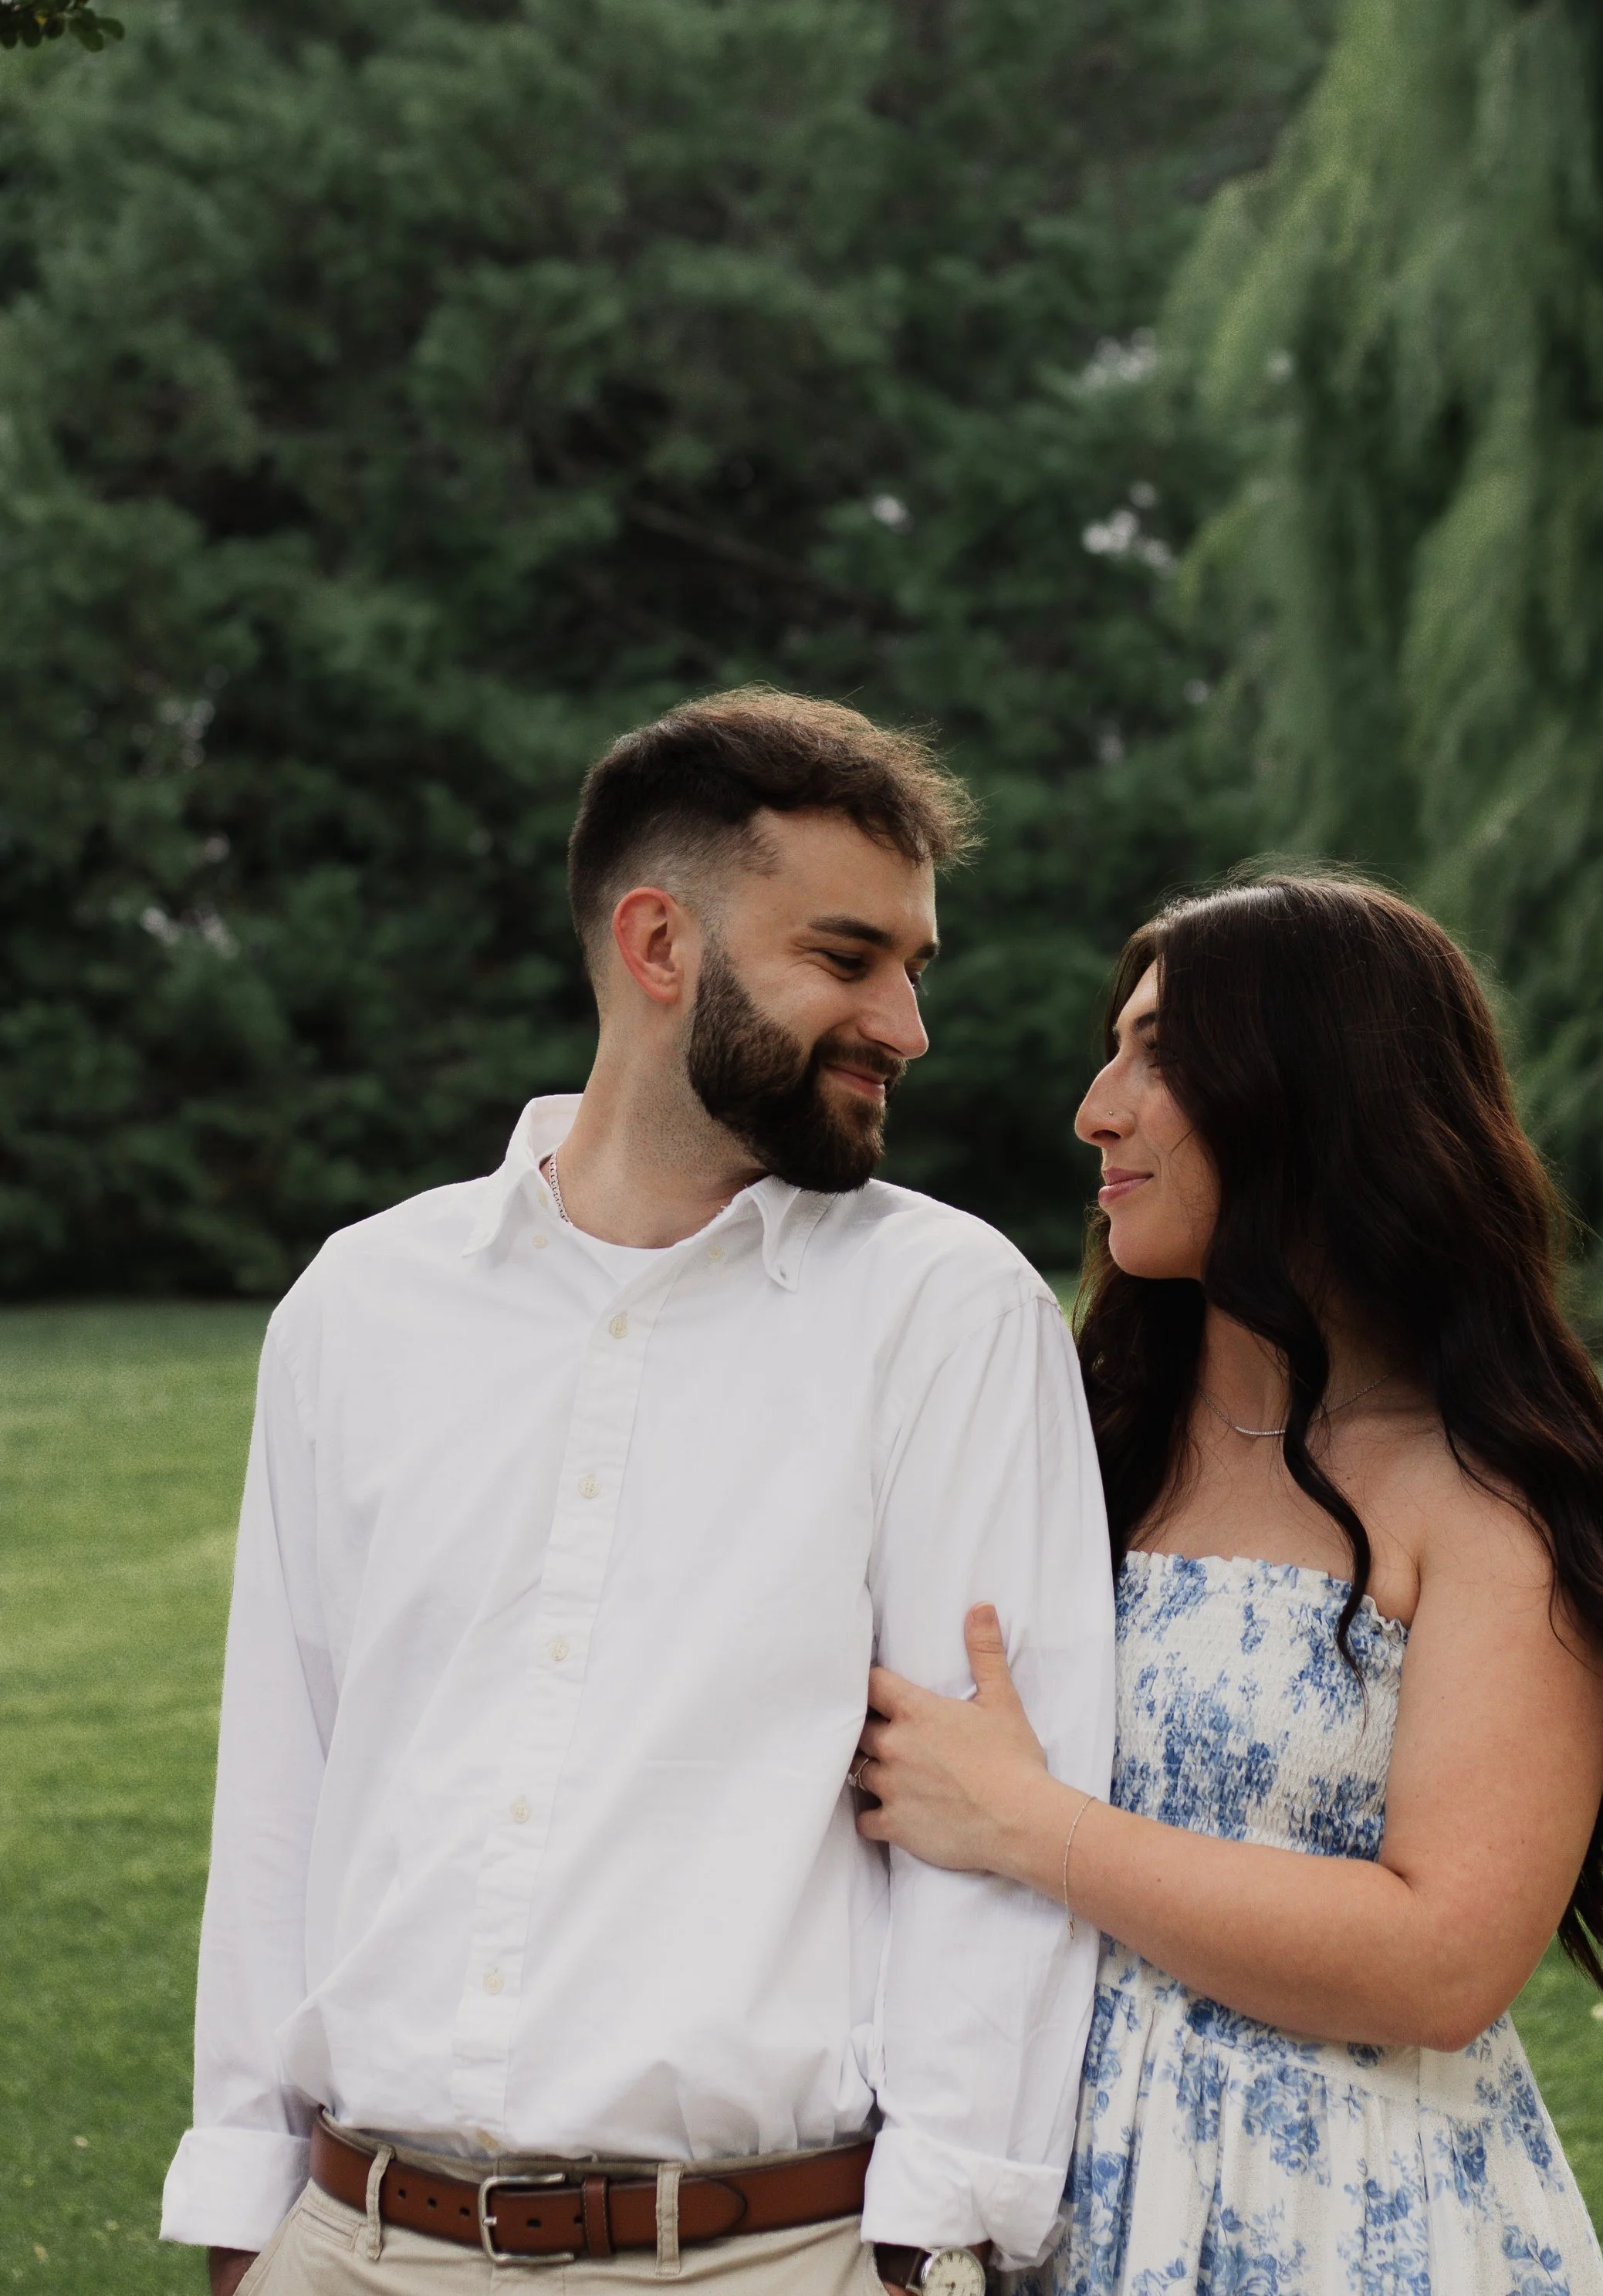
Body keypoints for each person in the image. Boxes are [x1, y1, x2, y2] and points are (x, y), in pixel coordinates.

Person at [160, 688, 1116, 2296]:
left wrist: (929, 2244)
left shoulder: (946, 1311)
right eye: (847, 957)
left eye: (912, 965)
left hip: (770, 2256)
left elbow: (1002, 1832)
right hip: (357, 2243)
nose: (905, 1024)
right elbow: (286, 1782)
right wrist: (253, 2218)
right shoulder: (361, 1303)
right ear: (659, 944)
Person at [849, 873, 1603, 2296]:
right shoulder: (1069, 1447)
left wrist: (1031, 1825)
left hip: (1341, 2213)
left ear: (1319, 1098)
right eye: (1112, 1046)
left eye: (1160, 1054)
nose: (1097, 1107)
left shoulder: (1485, 1493)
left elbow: (1446, 1960)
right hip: (1036, 2188)